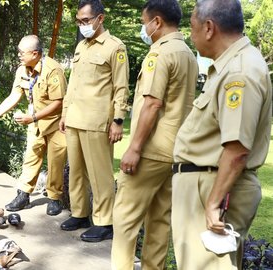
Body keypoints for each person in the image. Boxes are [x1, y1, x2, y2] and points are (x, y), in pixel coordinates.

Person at [171, 0, 272, 269]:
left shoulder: (239, 72)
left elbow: (238, 149)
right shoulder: (228, 67)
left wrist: (214, 203)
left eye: (191, 27)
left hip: (214, 188)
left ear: (208, 28)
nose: (190, 35)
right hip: (206, 183)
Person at [110, 0, 198, 269]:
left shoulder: (159, 54)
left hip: (151, 150)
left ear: (156, 22)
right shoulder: (187, 53)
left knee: (125, 220)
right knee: (159, 221)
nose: (143, 28)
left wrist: (134, 148)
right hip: (176, 151)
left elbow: (152, 103)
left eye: (143, 22)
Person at [59, 0, 130, 243]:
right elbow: (73, 84)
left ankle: (104, 222)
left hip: (97, 121)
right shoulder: (81, 47)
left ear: (100, 18)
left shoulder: (115, 47)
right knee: (76, 172)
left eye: (86, 20)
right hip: (75, 119)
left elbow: (121, 88)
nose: (82, 25)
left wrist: (118, 120)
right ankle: (79, 213)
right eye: (79, 21)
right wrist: (64, 113)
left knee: (100, 175)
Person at [0, 35, 67, 216]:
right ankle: (23, 194)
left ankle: (54, 198)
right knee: (30, 158)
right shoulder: (22, 69)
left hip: (55, 123)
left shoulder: (53, 70)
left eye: (22, 52)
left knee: (56, 162)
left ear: (35, 53)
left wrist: (33, 117)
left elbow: (58, 102)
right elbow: (14, 96)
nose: (19, 55)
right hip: (35, 122)